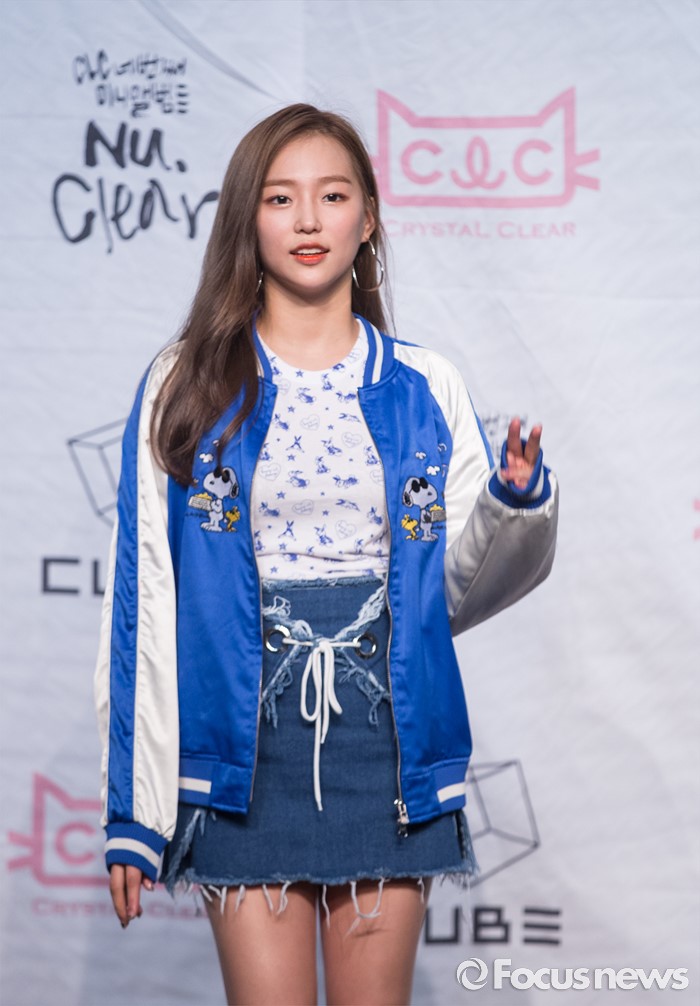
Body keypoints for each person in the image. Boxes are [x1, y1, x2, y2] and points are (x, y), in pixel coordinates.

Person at [94, 103, 558, 1006]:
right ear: (247, 218)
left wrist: (513, 506)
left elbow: (455, 591)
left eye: (333, 196)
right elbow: (144, 595)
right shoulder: (185, 382)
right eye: (280, 198)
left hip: (388, 747)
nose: (308, 220)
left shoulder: (426, 384)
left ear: (368, 217)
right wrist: (134, 811)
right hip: (240, 753)